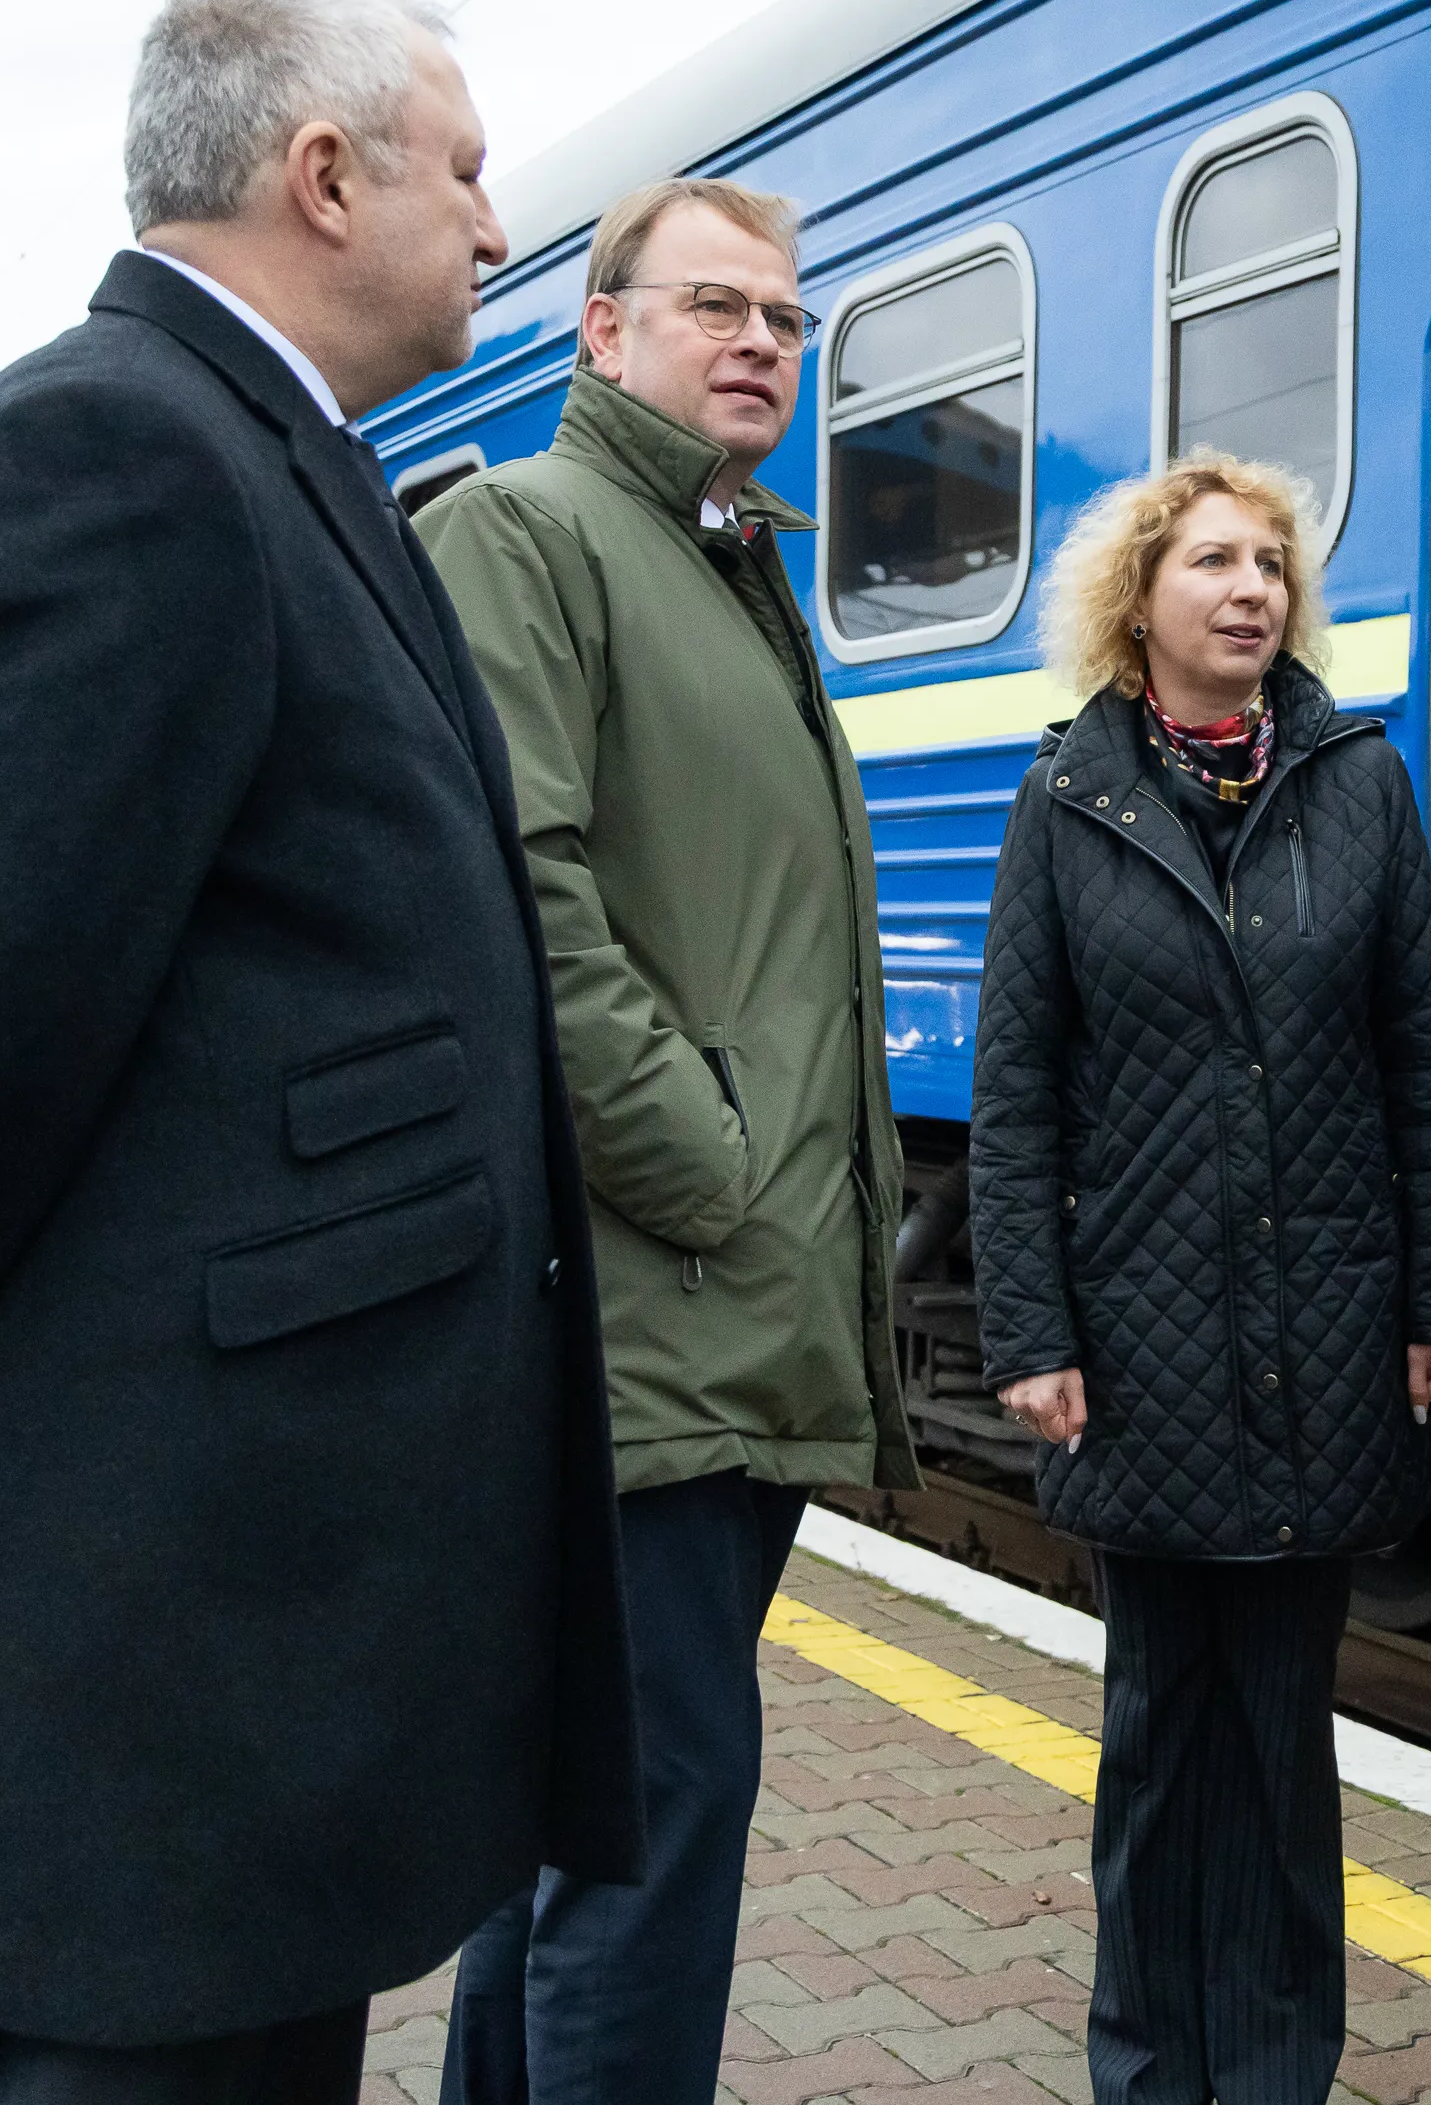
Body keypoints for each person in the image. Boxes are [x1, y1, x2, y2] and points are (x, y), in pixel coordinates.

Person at [0, 0, 639, 2105]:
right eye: (465, 169)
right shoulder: (117, 450)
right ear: (323, 175)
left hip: (272, 1567)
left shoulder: (270, 455)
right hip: (178, 1577)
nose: (497, 221)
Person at [418, 176, 915, 2105]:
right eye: (715, 305)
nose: (761, 342)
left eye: (785, 318)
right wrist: (706, 1167)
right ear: (601, 330)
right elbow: (519, 889)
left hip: (720, 1297)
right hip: (648, 1294)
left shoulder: (722, 563)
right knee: (657, 1807)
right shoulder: (533, 532)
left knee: (591, 1810)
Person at [971, 455, 1431, 2105]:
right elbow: (1017, 1094)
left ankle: (1269, 2075)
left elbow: (1423, 1061)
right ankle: (1145, 2069)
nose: (1252, 587)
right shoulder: (1066, 800)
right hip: (1142, 1344)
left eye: (1271, 563)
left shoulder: (1360, 783)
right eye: (1213, 562)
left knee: (1280, 1745)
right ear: (1139, 598)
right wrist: (1031, 1328)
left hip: (1324, 1332)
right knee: (1155, 1745)